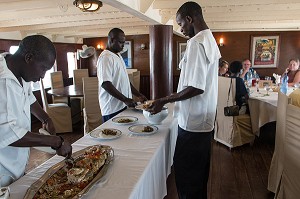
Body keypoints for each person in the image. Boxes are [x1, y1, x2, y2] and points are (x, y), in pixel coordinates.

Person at [147, 2, 221, 198]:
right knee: (198, 179)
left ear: (190, 19)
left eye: (181, 24)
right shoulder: (210, 39)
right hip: (203, 122)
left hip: (192, 124)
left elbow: (196, 86)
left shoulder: (197, 42)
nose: (181, 29)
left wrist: (164, 99)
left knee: (186, 178)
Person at [0, 35, 72, 186]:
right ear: (29, 57)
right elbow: (8, 132)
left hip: (16, 166)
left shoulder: (17, 71)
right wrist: (56, 141)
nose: (42, 76)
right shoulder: (2, 80)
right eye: (43, 68)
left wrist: (46, 118)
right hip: (3, 171)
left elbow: (29, 97)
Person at [97, 28, 147, 123]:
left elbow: (125, 80)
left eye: (124, 42)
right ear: (111, 40)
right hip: (112, 108)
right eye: (120, 42)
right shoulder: (105, 57)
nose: (123, 46)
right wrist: (125, 99)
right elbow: (105, 84)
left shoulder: (118, 56)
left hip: (122, 106)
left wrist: (138, 94)